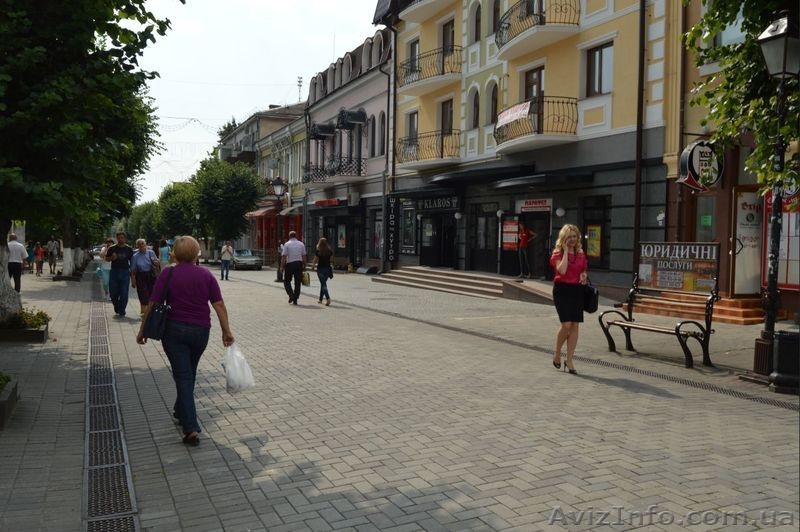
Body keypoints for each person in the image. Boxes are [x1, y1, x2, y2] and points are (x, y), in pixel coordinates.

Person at [136, 235, 234, 447]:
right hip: (201, 332)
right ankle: (181, 410)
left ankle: (190, 427)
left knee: (183, 376)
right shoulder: (206, 275)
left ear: (175, 254)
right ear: (197, 253)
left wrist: (142, 330)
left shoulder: (167, 273)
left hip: (174, 332)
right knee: (189, 373)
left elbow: (153, 304)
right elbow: (219, 305)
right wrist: (227, 331)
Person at [550, 224, 588, 375]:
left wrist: (584, 275)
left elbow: (583, 269)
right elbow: (563, 270)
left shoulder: (581, 253)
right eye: (569, 236)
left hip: (577, 290)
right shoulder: (557, 253)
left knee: (575, 325)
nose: (572, 239)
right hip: (562, 290)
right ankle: (557, 352)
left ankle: (570, 359)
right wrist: (566, 251)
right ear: (564, 238)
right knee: (566, 325)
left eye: (574, 236)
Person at [105, 231, 134, 318]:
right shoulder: (112, 248)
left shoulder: (129, 249)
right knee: (113, 293)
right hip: (114, 271)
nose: (120, 239)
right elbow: (106, 258)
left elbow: (132, 262)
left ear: (125, 238)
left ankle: (122, 311)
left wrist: (133, 276)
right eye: (119, 238)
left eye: (122, 238)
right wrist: (111, 258)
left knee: (124, 293)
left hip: (125, 272)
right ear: (116, 239)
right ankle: (117, 306)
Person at [130, 238, 160, 317]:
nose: (141, 245)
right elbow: (133, 270)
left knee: (152, 292)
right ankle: (143, 311)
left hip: (151, 275)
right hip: (140, 276)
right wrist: (133, 280)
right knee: (142, 293)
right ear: (137, 246)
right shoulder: (135, 256)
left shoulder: (151, 252)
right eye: (139, 244)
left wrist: (155, 262)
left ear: (145, 244)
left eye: (143, 243)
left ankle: (151, 311)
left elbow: (157, 264)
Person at [281, 230, 306, 305]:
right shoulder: (301, 244)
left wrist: (282, 267)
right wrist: (304, 264)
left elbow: (284, 256)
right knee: (297, 282)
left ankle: (291, 295)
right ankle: (295, 299)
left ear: (289, 236)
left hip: (290, 264)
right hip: (298, 264)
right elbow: (304, 255)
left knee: (287, 281)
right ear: (296, 236)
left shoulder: (287, 244)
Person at [311, 237, 333, 306]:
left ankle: (328, 298)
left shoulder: (318, 251)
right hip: (327, 268)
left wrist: (313, 266)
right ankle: (320, 299)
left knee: (323, 284)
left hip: (320, 269)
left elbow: (315, 259)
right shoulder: (329, 251)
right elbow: (331, 260)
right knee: (323, 283)